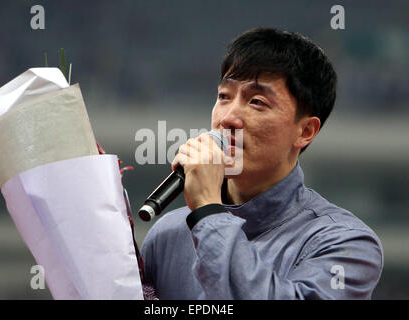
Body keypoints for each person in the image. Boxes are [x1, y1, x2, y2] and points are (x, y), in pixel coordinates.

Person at [140, 28, 383, 299]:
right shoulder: (168, 234)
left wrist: (208, 211)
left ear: (305, 131)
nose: (228, 118)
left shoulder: (345, 243)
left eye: (256, 101)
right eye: (224, 96)